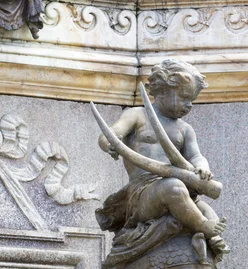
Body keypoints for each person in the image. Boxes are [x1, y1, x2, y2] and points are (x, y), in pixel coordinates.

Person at [97, 59, 226, 243]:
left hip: (180, 185)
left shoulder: (185, 129)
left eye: (191, 100)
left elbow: (196, 156)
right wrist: (108, 143)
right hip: (142, 191)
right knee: (173, 188)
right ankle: (203, 225)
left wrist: (202, 167)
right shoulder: (137, 115)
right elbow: (111, 133)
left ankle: (215, 241)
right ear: (163, 90)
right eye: (184, 98)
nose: (189, 105)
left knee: (204, 207)